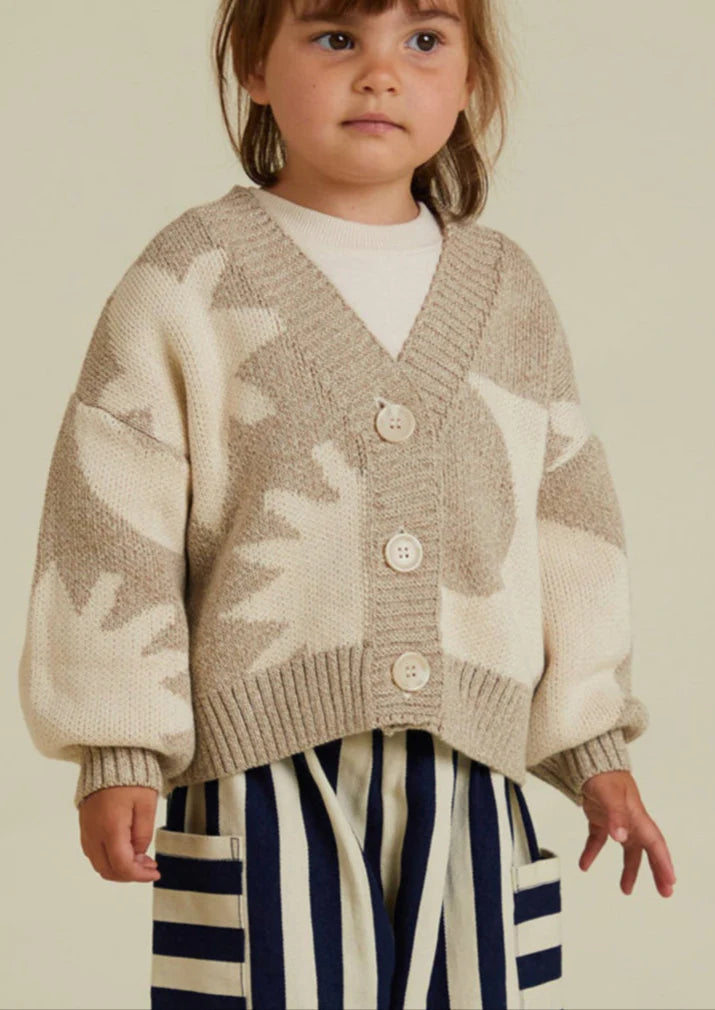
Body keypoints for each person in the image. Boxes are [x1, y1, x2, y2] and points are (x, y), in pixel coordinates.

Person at [18, 1, 676, 1008]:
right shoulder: (188, 278)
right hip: (258, 774)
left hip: (469, 770)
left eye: (424, 40)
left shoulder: (506, 290)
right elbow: (108, 516)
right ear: (255, 68)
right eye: (335, 37)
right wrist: (119, 743)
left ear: (470, 79)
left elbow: (567, 523)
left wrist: (592, 744)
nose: (380, 72)